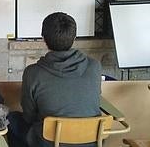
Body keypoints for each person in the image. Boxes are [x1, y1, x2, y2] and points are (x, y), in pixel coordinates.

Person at [8, 12, 102, 147]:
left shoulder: (33, 72)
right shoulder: (94, 66)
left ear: (44, 39)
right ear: (74, 38)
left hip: (48, 141)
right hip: (91, 140)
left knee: (11, 119)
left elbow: (28, 116)